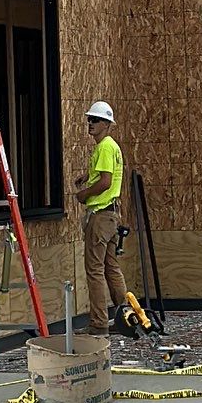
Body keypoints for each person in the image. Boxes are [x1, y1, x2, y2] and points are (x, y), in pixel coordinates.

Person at [73, 99, 126, 335]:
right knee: (110, 267)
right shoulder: (111, 147)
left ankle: (99, 324)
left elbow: (105, 182)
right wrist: (88, 176)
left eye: (95, 120)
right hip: (112, 215)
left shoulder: (104, 146)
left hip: (101, 215)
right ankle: (128, 316)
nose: (90, 124)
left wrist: (84, 194)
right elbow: (105, 175)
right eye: (89, 120)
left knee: (94, 270)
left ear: (107, 123)